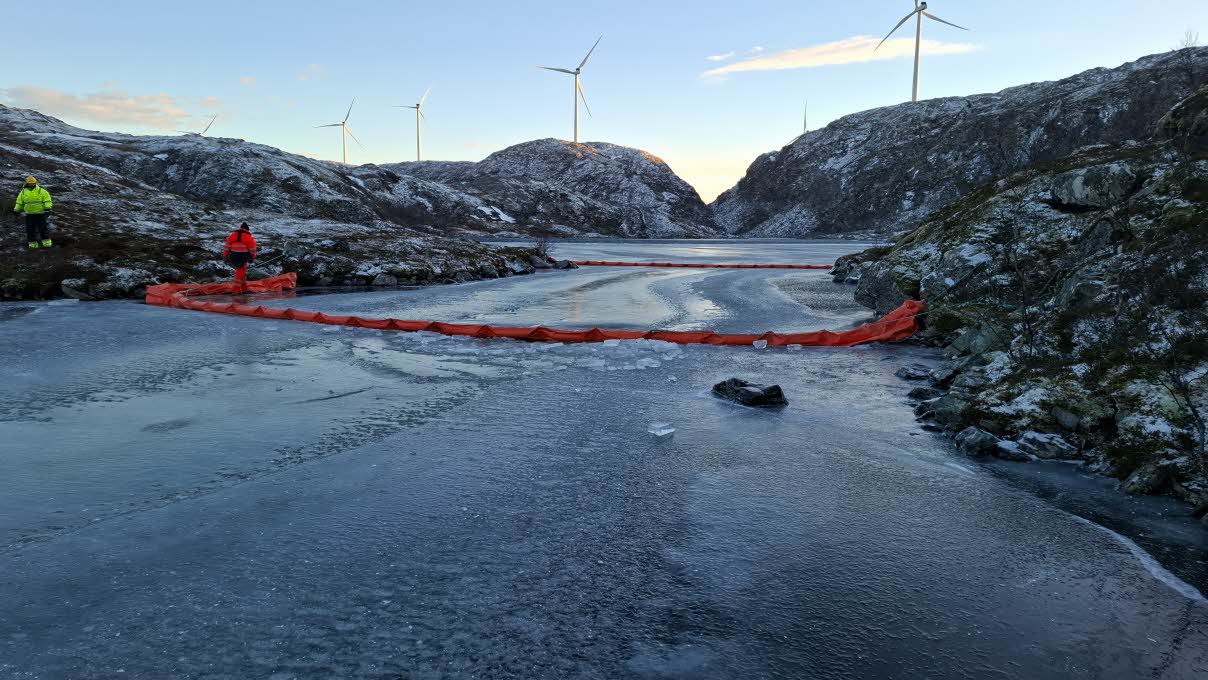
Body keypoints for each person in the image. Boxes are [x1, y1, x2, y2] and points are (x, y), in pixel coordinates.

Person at [14, 176, 53, 249]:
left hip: (41, 214)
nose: (32, 184)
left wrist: (47, 209)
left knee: (43, 229)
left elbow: (47, 200)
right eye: (31, 183)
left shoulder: (42, 191)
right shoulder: (23, 192)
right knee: (30, 230)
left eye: (33, 183)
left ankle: (47, 244)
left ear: (36, 183)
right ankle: (33, 245)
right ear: (27, 183)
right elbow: (19, 202)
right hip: (29, 215)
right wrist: (17, 210)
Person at [223, 223, 258, 291]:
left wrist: (225, 256)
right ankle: (235, 290)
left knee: (242, 272)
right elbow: (253, 249)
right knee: (240, 273)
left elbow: (227, 247)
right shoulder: (248, 237)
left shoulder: (233, 235)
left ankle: (244, 289)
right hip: (243, 257)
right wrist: (252, 258)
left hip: (233, 256)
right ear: (247, 229)